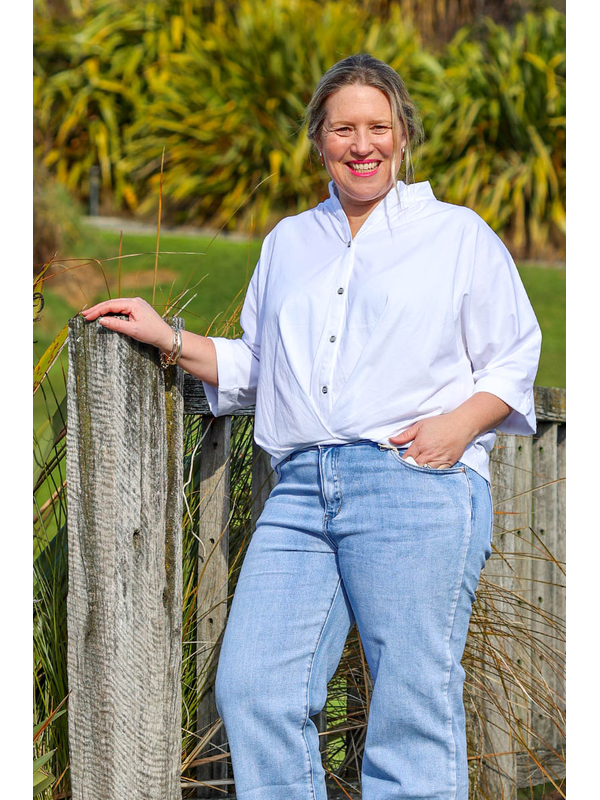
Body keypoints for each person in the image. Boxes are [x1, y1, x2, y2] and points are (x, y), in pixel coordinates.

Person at [82, 53, 541, 800]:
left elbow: (513, 357)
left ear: (403, 135)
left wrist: (458, 427)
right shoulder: (290, 241)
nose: (362, 145)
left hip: (413, 485)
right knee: (256, 690)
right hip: (298, 495)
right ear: (319, 141)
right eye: (342, 129)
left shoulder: (457, 235)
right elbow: (262, 366)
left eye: (378, 127)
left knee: (411, 707)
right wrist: (168, 336)